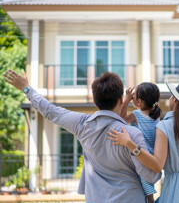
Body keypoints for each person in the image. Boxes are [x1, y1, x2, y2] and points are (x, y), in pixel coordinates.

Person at [3, 69, 161, 203]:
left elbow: (50, 111)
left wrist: (26, 88)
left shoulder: (82, 125)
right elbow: (150, 176)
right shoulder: (132, 133)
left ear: (94, 101)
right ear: (121, 99)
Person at [120, 83, 161, 203]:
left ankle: (151, 200)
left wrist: (126, 101)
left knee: (144, 182)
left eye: (133, 97)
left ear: (139, 102)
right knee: (146, 182)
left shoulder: (137, 114)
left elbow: (121, 120)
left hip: (142, 154)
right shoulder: (156, 114)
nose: (131, 98)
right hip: (154, 155)